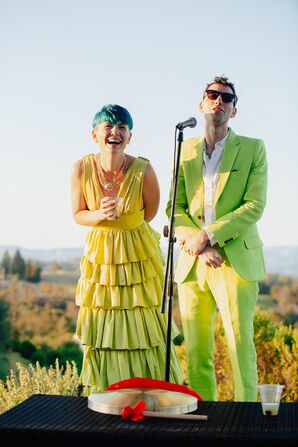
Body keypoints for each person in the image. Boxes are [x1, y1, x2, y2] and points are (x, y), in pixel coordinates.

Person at [166, 76, 267, 401]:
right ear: (201, 103)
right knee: (196, 352)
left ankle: (248, 422)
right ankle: (202, 423)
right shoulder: (185, 149)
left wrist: (208, 236)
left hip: (234, 262)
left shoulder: (253, 148)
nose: (218, 101)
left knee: (240, 346)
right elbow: (174, 207)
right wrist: (197, 246)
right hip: (191, 265)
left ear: (234, 110)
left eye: (226, 98)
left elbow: (254, 205)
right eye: (212, 95)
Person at [71, 104, 183, 395]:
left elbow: (149, 214)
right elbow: (78, 214)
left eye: (122, 127)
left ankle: (154, 392)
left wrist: (125, 224)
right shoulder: (80, 168)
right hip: (101, 259)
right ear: (94, 134)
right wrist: (99, 216)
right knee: (104, 323)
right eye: (108, 126)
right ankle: (108, 394)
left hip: (138, 256)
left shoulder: (144, 170)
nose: (114, 132)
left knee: (144, 321)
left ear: (130, 136)